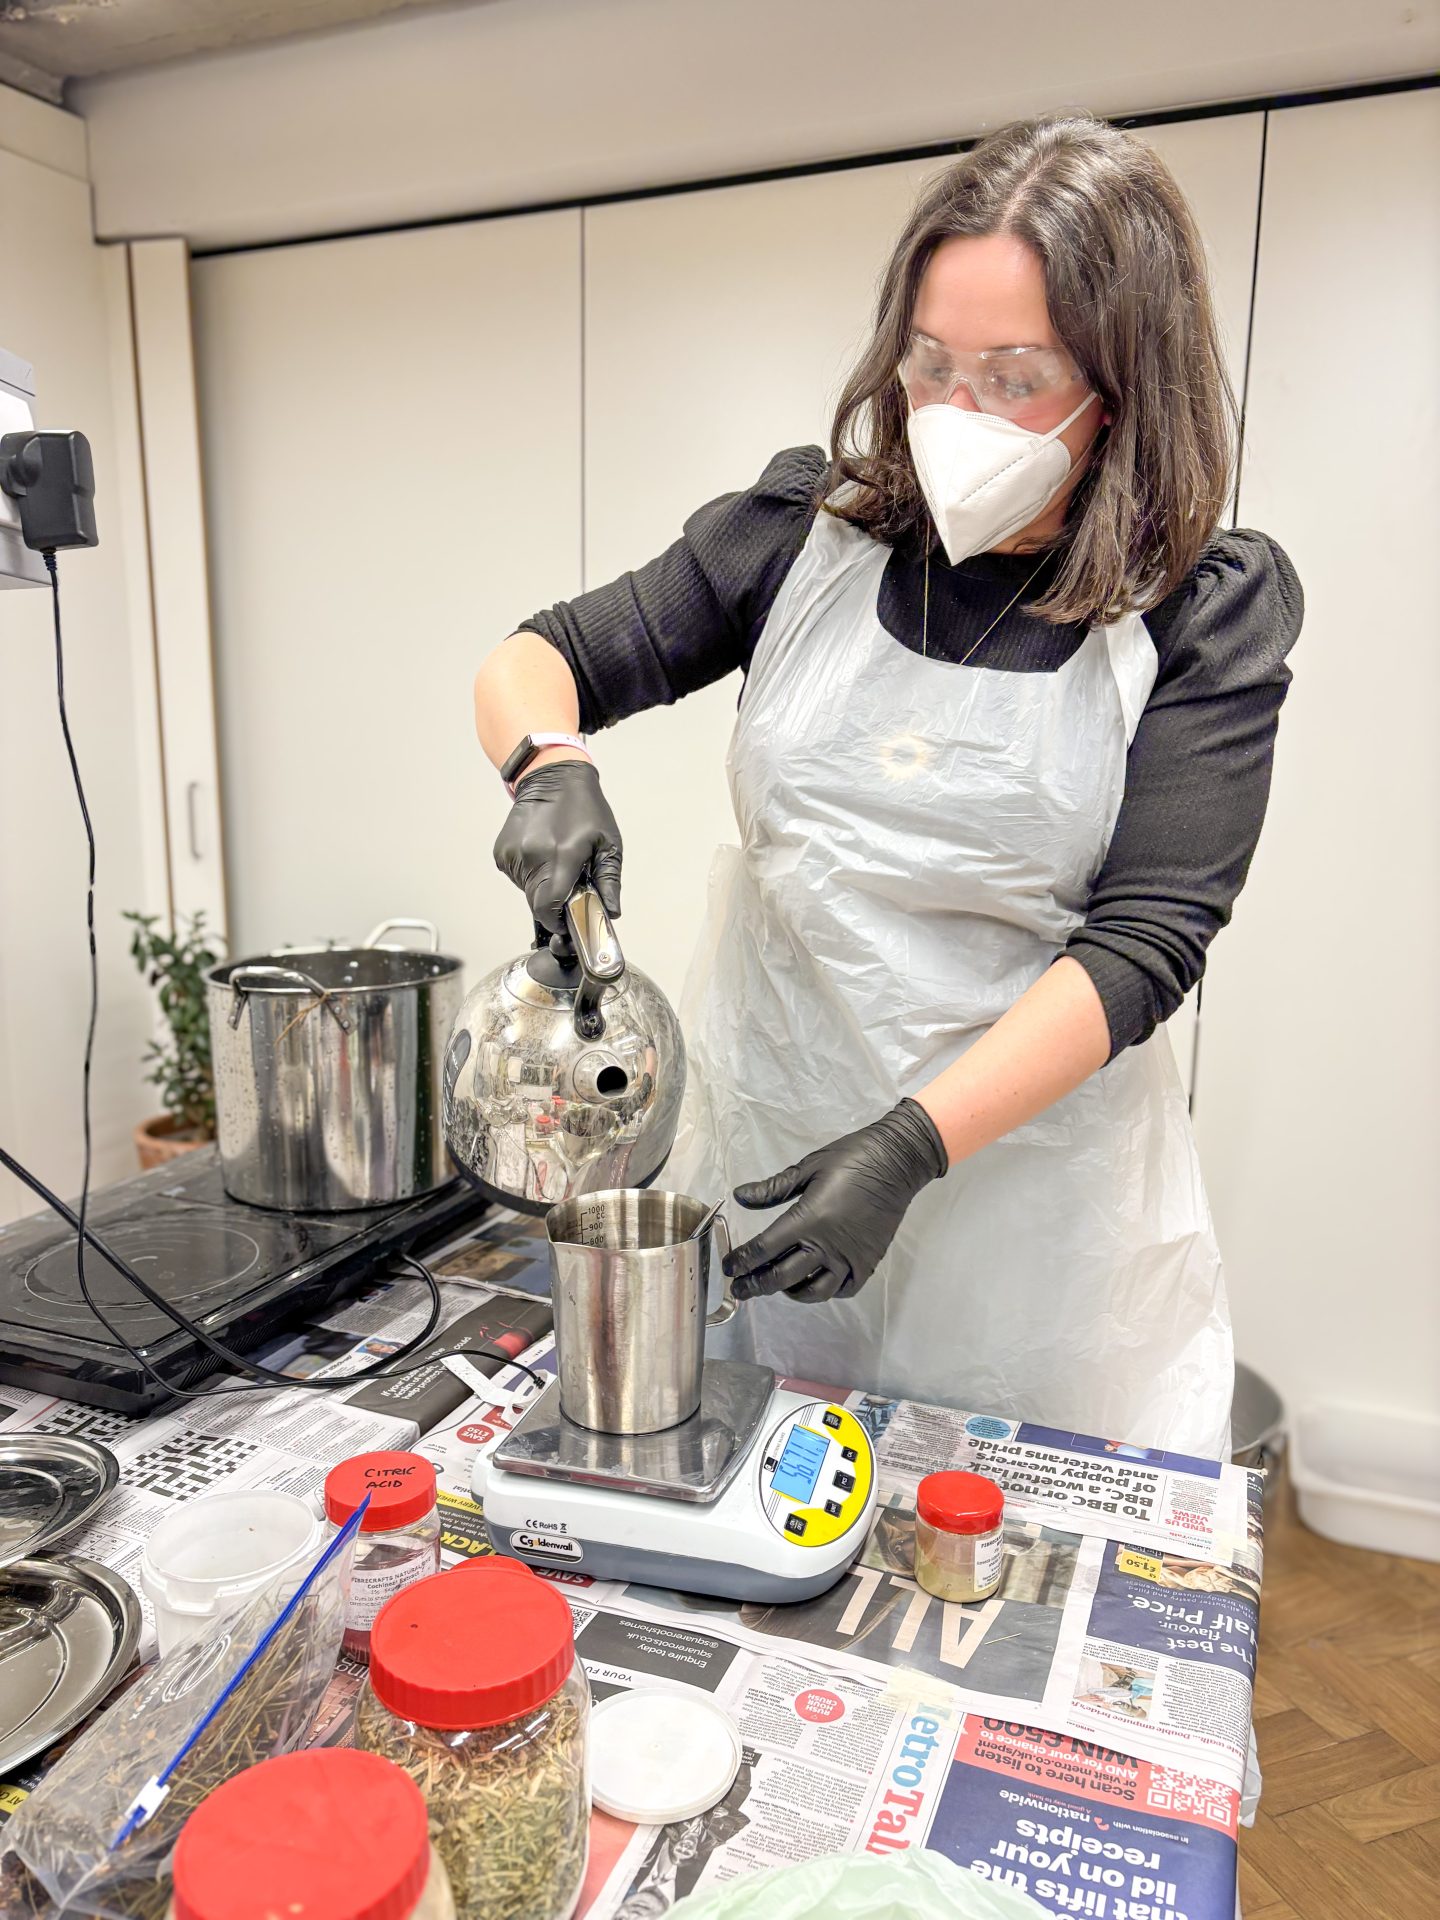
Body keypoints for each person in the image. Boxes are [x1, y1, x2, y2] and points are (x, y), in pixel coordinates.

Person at [474, 113, 1303, 1458]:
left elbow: (1148, 944)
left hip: (1035, 1210)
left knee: (984, 1546)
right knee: (761, 1497)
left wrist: (912, 1146)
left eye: (1018, 378)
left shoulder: (1200, 610)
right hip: (782, 1145)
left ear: (1126, 387)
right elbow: (541, 659)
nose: (958, 415)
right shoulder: (806, 537)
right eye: (932, 365)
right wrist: (548, 765)